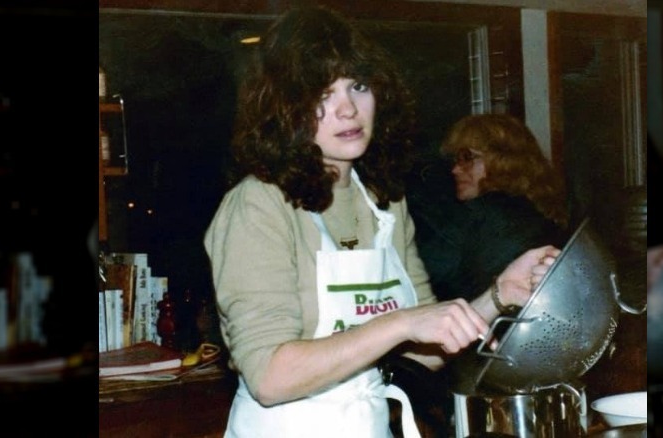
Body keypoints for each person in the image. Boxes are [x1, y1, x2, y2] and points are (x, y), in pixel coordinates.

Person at [203, 6, 560, 438]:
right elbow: (269, 378)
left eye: (358, 85)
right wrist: (399, 323)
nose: (349, 110)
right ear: (285, 110)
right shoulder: (258, 206)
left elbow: (425, 353)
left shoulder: (383, 203)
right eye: (321, 95)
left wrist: (499, 295)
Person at [412, 113, 570, 303]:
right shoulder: (537, 212)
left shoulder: (485, 215)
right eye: (456, 159)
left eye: (466, 157)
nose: (455, 169)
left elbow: (426, 275)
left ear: (502, 160)